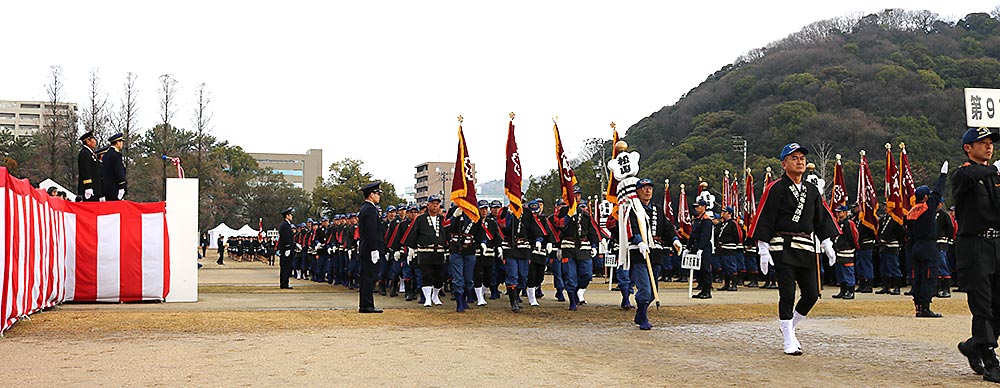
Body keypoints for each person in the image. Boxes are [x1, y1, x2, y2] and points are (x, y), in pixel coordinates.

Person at [749, 143, 839, 356]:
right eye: (794, 158)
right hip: (783, 246)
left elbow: (820, 217)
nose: (800, 161)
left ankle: (788, 326)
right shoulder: (776, 187)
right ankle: (789, 339)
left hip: (806, 247)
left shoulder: (811, 190)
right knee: (787, 293)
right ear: (784, 163)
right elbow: (765, 216)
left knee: (812, 294)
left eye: (802, 158)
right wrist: (763, 247)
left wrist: (826, 242)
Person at [953, 127, 1000, 382]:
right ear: (968, 148)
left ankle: (974, 345)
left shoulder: (994, 176)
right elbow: (971, 175)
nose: (989, 147)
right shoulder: (963, 174)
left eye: (991, 142)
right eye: (982, 143)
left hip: (997, 245)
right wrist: (995, 169)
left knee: (998, 304)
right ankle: (990, 359)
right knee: (982, 304)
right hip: (975, 246)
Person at [627, 178, 682, 329]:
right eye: (644, 188)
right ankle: (644, 318)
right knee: (644, 288)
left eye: (650, 188)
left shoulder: (657, 209)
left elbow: (667, 228)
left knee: (653, 291)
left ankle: (640, 312)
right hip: (639, 253)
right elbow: (631, 227)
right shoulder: (633, 208)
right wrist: (639, 241)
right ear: (637, 191)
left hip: (656, 252)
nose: (647, 190)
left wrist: (675, 240)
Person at [905, 163, 948, 318]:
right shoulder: (927, 207)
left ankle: (918, 306)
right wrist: (943, 175)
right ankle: (925, 307)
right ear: (925, 197)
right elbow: (938, 191)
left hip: (915, 246)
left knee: (918, 277)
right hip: (928, 246)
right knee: (929, 276)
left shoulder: (910, 212)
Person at [404, 195, 448, 307]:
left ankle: (435, 295)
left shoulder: (442, 219)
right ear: (428, 205)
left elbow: (447, 234)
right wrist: (411, 248)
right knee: (426, 275)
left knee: (440, 276)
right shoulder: (420, 219)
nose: (435, 205)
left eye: (437, 203)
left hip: (439, 251)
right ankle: (427, 298)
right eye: (433, 203)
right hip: (425, 251)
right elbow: (413, 234)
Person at [357, 182, 386, 313]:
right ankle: (367, 305)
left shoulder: (365, 208)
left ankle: (365, 304)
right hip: (370, 249)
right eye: (377, 194)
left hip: (366, 248)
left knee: (366, 277)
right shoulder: (370, 210)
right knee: (369, 277)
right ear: (371, 195)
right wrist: (374, 249)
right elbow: (371, 232)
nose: (379, 196)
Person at [831, 205, 858, 300]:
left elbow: (853, 236)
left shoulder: (849, 223)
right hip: (838, 250)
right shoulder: (838, 223)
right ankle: (843, 290)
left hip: (847, 250)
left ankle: (850, 291)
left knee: (848, 271)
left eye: (840, 212)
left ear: (845, 212)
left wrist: (851, 246)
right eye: (837, 212)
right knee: (840, 272)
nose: (838, 214)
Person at [688, 199, 714, 299]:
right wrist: (688, 247)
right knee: (698, 270)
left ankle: (707, 290)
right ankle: (702, 289)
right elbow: (693, 234)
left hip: (704, 247)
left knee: (705, 269)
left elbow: (705, 235)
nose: (696, 208)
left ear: (704, 207)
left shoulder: (706, 220)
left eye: (698, 206)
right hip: (696, 246)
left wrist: (701, 248)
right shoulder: (697, 219)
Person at [76, 130, 103, 202]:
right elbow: (85, 171)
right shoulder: (85, 153)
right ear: (88, 141)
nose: (95, 141)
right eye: (93, 139)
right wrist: (88, 187)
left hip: (94, 188)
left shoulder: (90, 153)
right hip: (89, 189)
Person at [101, 133, 127, 201]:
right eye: (121, 142)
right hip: (116, 189)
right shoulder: (116, 155)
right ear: (117, 142)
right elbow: (119, 171)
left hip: (107, 189)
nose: (122, 144)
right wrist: (122, 186)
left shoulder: (106, 155)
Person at [277, 207, 296, 289]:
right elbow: (286, 238)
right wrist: (288, 248)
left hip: (285, 249)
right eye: (290, 214)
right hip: (286, 249)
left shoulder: (285, 225)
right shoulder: (286, 225)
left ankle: (284, 282)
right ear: (287, 216)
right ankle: (284, 283)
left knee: (285, 266)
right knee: (286, 267)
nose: (291, 216)